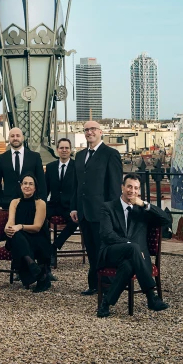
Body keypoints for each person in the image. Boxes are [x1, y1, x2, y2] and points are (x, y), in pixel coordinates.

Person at [96, 173, 172, 317]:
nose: (132, 191)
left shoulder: (142, 210)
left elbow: (166, 220)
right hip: (112, 252)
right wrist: (130, 245)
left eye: (136, 188)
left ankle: (106, 303)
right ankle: (151, 296)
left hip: (136, 259)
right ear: (122, 187)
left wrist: (144, 204)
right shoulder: (108, 207)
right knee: (133, 248)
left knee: (129, 265)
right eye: (129, 187)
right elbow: (106, 234)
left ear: (139, 192)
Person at [70, 121, 123, 295]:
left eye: (93, 129)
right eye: (86, 130)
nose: (89, 132)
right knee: (91, 250)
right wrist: (74, 208)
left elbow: (114, 188)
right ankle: (94, 284)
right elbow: (76, 185)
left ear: (101, 132)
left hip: (102, 213)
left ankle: (108, 286)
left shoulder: (111, 154)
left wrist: (111, 213)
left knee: (104, 249)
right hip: (84, 212)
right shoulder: (79, 156)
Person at [5, 175, 51, 292]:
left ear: (35, 188)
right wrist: (8, 229)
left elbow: (37, 227)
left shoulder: (40, 203)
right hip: (19, 237)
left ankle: (35, 270)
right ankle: (36, 270)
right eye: (25, 183)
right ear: (21, 186)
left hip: (36, 237)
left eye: (31, 184)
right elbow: (10, 221)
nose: (27, 186)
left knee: (17, 236)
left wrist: (20, 226)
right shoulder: (14, 202)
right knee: (15, 235)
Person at [0, 127, 46, 209]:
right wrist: (0, 200)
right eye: (12, 136)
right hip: (8, 204)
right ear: (9, 139)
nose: (15, 138)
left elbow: (41, 182)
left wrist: (40, 202)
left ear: (23, 138)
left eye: (18, 136)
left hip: (31, 203)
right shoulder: (2, 158)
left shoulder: (34, 157)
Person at [45, 138, 78, 265]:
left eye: (67, 148)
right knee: (39, 220)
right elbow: (45, 189)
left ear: (70, 150)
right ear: (57, 150)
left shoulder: (77, 167)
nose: (64, 150)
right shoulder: (50, 167)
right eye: (61, 148)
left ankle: (54, 247)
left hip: (69, 206)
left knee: (74, 222)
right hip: (53, 204)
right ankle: (44, 250)